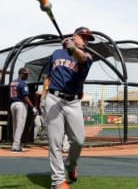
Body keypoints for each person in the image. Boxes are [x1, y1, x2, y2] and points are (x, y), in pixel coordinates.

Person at [41, 26, 95, 189]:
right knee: (55, 142)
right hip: (54, 98)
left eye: (88, 39)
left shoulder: (87, 56)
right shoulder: (56, 54)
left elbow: (82, 59)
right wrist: (43, 98)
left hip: (73, 102)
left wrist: (72, 48)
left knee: (79, 140)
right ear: (74, 36)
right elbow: (48, 77)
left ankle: (71, 165)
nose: (85, 41)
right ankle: (57, 181)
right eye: (83, 37)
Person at [9, 67, 37, 152]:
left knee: (15, 125)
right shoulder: (23, 83)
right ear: (21, 74)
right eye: (25, 74)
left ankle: (16, 144)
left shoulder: (13, 82)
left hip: (12, 104)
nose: (27, 76)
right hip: (20, 104)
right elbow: (25, 97)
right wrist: (33, 107)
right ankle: (16, 145)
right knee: (20, 126)